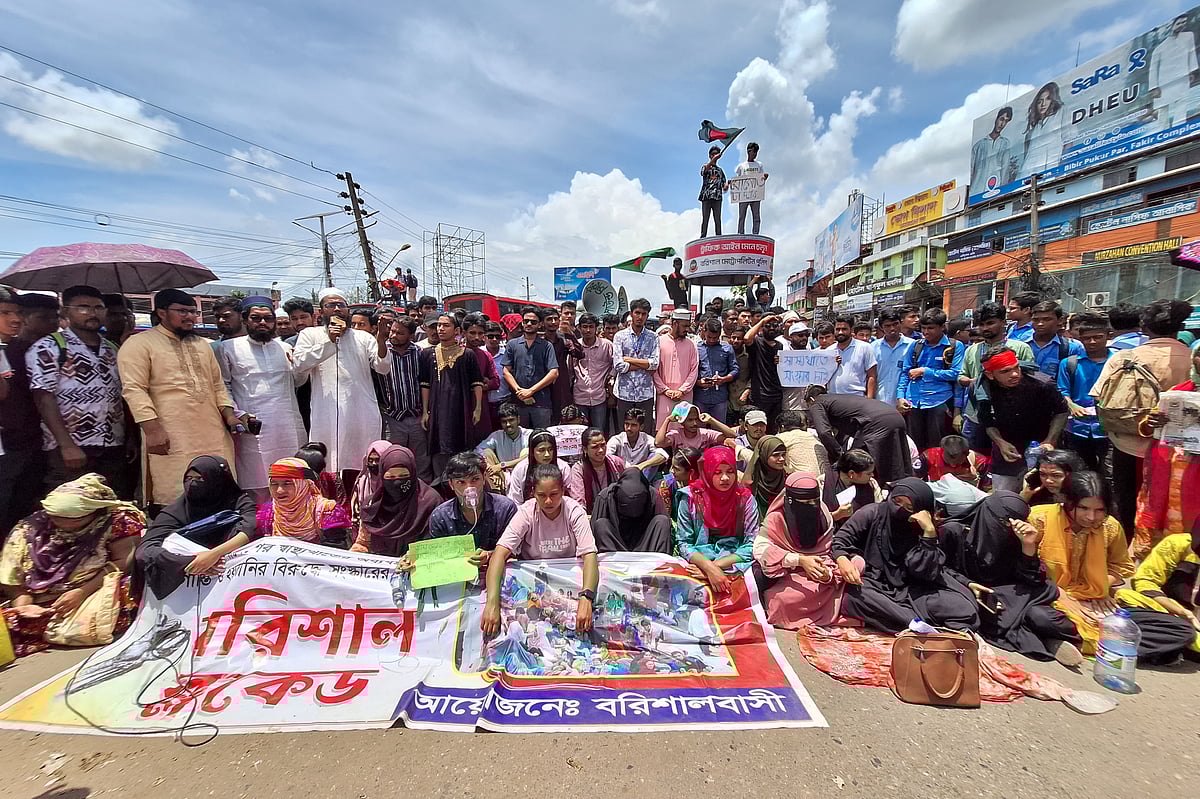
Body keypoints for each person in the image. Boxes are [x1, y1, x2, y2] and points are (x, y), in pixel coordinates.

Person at [1030, 471, 1195, 662]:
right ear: (1068, 501)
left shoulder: (1110, 527)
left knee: (1182, 630)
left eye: (1099, 510)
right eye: (1083, 508)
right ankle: (1110, 646)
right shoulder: (1039, 519)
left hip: (1098, 601)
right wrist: (1061, 594)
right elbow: (1026, 570)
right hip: (1050, 597)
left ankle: (1081, 643)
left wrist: (1098, 588)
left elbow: (1120, 567)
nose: (1091, 517)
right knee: (1039, 616)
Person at [117, 289, 238, 509]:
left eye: (193, 312)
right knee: (175, 490)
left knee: (218, 486)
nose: (190, 317)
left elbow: (217, 385)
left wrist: (230, 417)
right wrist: (152, 430)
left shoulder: (202, 345)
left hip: (212, 430)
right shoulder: (139, 344)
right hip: (170, 432)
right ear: (162, 313)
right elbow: (134, 389)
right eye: (182, 311)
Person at [0, 474, 142, 652]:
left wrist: (81, 592)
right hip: (45, 598)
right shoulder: (29, 529)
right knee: (14, 625)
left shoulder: (118, 521)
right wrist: (23, 605)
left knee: (133, 588)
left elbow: (123, 562)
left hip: (96, 586)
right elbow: (12, 575)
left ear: (94, 512)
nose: (63, 524)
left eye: (74, 519)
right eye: (57, 518)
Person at [939, 492, 1083, 664]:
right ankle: (1044, 640)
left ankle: (1041, 636)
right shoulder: (954, 531)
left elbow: (1033, 579)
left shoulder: (1015, 536)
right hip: (967, 592)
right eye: (1003, 521)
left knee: (1043, 617)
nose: (1007, 527)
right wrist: (969, 584)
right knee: (967, 611)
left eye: (1014, 523)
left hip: (1012, 597)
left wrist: (1027, 545)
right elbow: (939, 568)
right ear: (987, 513)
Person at [1094, 299, 1193, 538]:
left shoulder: (1124, 358)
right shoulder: (1192, 359)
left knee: (1127, 497)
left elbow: (1099, 398)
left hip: (1127, 444)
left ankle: (1128, 542)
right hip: (1179, 450)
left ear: (1144, 328)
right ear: (1180, 327)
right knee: (1170, 502)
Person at [831, 478, 979, 634]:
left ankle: (910, 622)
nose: (899, 509)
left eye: (909, 507)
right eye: (897, 501)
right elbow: (839, 540)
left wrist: (929, 534)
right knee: (854, 597)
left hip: (912, 589)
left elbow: (930, 571)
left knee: (963, 608)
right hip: (872, 584)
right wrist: (842, 559)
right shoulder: (871, 513)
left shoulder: (922, 528)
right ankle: (916, 624)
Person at [28, 285, 132, 498]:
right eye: (83, 307)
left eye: (98, 307)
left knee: (112, 505)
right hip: (72, 446)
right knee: (70, 506)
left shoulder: (112, 349)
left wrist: (129, 438)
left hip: (113, 443)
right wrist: (67, 445)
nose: (92, 313)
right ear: (65, 311)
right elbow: (43, 398)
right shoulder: (49, 347)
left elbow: (123, 396)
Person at [481, 464, 599, 637]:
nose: (548, 501)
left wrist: (586, 597)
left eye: (554, 494)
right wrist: (492, 603)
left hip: (568, 581)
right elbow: (500, 553)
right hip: (534, 584)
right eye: (542, 495)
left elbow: (589, 556)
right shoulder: (526, 512)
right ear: (533, 493)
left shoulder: (574, 511)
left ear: (563, 491)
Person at [291, 288, 391, 483]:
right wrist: (329, 341)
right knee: (328, 460)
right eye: (331, 305)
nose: (337, 309)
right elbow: (300, 364)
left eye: (341, 305)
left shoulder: (363, 337)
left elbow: (383, 367)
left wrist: (380, 340)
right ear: (321, 311)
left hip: (361, 412)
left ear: (347, 310)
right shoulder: (310, 335)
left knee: (362, 459)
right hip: (325, 413)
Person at [216, 297, 307, 502]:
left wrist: (301, 367)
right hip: (252, 425)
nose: (262, 323)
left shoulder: (284, 348)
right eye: (256, 318)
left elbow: (298, 382)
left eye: (268, 318)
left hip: (288, 425)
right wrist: (238, 415)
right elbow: (223, 386)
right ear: (245, 320)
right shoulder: (228, 348)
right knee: (257, 482)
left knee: (291, 478)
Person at [135, 455, 259, 599]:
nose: (193, 483)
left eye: (200, 478)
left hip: (231, 575)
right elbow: (145, 550)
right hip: (188, 590)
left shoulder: (239, 502)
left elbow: (249, 529)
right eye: (189, 478)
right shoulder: (176, 511)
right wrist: (188, 563)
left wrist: (213, 555)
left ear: (218, 479)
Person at [753, 472, 859, 630]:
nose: (812, 506)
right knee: (781, 601)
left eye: (814, 501)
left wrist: (826, 573)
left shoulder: (823, 514)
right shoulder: (777, 518)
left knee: (857, 564)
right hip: (787, 572)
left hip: (818, 573)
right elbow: (760, 548)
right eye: (805, 502)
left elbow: (827, 549)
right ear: (790, 500)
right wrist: (800, 560)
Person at [1133, 344, 1200, 558]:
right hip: (1172, 472)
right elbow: (1147, 429)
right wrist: (1151, 422)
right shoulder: (1179, 392)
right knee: (1170, 515)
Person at [978, 345, 1068, 493]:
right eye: (1005, 371)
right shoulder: (981, 389)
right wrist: (1000, 443)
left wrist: (1050, 441)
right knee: (1004, 494)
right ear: (990, 375)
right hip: (1007, 445)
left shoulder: (1042, 383)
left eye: (1016, 368)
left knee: (1046, 490)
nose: (1014, 374)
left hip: (1042, 442)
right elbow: (987, 421)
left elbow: (1062, 412)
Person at [674, 446, 759, 592]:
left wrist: (714, 568)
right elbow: (684, 543)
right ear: (707, 472)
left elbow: (752, 544)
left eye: (730, 472)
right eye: (717, 472)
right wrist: (707, 566)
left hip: (734, 560)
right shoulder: (690, 498)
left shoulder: (745, 499)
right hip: (697, 560)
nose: (725, 478)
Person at [1115, 528, 1200, 655]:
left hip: (1189, 628)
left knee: (1186, 634)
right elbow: (1145, 581)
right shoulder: (1178, 543)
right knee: (1125, 596)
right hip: (1168, 612)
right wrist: (1181, 611)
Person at [421, 312, 485, 478]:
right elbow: (425, 384)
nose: (440, 329)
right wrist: (425, 411)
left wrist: (477, 408)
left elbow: (476, 383)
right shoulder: (427, 354)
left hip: (461, 409)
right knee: (439, 448)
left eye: (446, 325)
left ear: (456, 330)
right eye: (439, 325)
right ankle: (442, 487)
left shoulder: (467, 354)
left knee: (461, 448)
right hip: (437, 411)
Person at [805, 385, 912, 485]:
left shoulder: (817, 403)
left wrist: (840, 456)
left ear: (811, 399)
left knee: (854, 465)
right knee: (894, 463)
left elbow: (824, 433)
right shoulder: (838, 400)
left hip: (875, 423)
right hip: (895, 416)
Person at [426, 452, 518, 566]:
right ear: (451, 485)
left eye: (475, 479)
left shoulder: (505, 508)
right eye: (461, 482)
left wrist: (490, 555)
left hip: (497, 569)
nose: (469, 487)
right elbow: (439, 557)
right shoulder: (441, 516)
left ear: (484, 478)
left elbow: (515, 550)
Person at [351, 445, 439, 556]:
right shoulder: (373, 506)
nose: (397, 482)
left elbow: (437, 546)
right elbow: (363, 543)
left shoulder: (430, 502)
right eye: (390, 477)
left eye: (404, 476)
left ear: (413, 474)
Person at [896, 308, 963, 452]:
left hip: (939, 402)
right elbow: (905, 373)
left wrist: (925, 371)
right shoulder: (915, 345)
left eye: (931, 328)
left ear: (942, 327)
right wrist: (900, 397)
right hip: (914, 402)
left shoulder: (954, 346)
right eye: (923, 328)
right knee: (914, 445)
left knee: (937, 446)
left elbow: (955, 373)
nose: (926, 332)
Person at [377, 316, 431, 482]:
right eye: (392, 331)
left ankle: (422, 490)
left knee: (421, 458)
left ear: (411, 335)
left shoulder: (420, 353)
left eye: (400, 333)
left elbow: (426, 382)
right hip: (392, 416)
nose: (394, 335)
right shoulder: (383, 352)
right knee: (394, 457)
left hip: (416, 415)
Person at [1057, 312, 1110, 473]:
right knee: (1079, 473)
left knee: (1109, 474)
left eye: (1097, 337)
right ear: (1080, 339)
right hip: (1076, 428)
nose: (1092, 342)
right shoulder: (1069, 363)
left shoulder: (1118, 362)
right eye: (1087, 338)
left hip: (1109, 430)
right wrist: (1071, 405)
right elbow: (1062, 390)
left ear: (1107, 336)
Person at [258, 457, 351, 546]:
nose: (279, 490)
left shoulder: (327, 511)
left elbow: (335, 548)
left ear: (303, 485)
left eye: (287, 483)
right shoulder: (268, 512)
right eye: (274, 484)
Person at [589, 467, 673, 555]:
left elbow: (667, 532)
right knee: (601, 524)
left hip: (647, 547)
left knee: (662, 521)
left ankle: (659, 561)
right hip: (614, 549)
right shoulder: (605, 497)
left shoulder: (654, 496)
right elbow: (593, 534)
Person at [502, 307, 559, 429]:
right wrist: (520, 392)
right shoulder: (512, 344)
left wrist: (531, 391)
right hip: (518, 403)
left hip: (541, 403)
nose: (529, 324)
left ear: (540, 324)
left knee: (542, 436)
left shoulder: (546, 346)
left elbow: (554, 372)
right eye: (526, 321)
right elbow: (506, 371)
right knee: (521, 437)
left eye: (533, 322)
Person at [612, 298, 660, 428]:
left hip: (645, 394)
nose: (640, 317)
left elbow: (655, 364)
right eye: (637, 313)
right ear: (631, 314)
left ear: (647, 316)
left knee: (645, 432)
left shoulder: (653, 337)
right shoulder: (620, 336)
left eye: (644, 314)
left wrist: (629, 359)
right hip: (624, 393)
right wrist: (644, 364)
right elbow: (619, 366)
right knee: (624, 431)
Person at [1149, 14, 1200, 127]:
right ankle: (1163, 132)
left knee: (1182, 102)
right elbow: (1153, 69)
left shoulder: (1188, 36)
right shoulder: (1159, 48)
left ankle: (1179, 128)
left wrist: (1191, 71)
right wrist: (1154, 87)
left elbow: (1191, 53)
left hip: (1182, 76)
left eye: (1184, 22)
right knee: (1162, 108)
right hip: (1163, 82)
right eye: (1178, 23)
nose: (1181, 25)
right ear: (1172, 25)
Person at [653, 309, 699, 425]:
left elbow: (694, 370)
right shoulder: (659, 342)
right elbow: (653, 370)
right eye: (684, 326)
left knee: (684, 428)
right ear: (674, 324)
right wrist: (665, 390)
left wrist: (682, 391)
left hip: (684, 396)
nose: (687, 329)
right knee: (664, 428)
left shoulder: (691, 345)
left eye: (688, 326)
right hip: (664, 396)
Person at [566, 427, 625, 514]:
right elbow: (579, 502)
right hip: (592, 515)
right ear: (585, 449)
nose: (601, 450)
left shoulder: (616, 462)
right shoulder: (579, 470)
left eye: (603, 445)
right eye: (595, 447)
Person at [570, 312, 614, 431]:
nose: (588, 330)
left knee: (598, 432)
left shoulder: (607, 345)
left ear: (596, 328)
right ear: (579, 328)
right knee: (580, 431)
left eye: (591, 327)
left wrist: (609, 378)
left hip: (599, 396)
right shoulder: (574, 346)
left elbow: (615, 365)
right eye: (585, 327)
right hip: (579, 396)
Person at [464, 313, 501, 443]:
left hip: (481, 408)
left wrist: (479, 385)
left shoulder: (485, 355)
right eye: (472, 333)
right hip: (461, 406)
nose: (477, 337)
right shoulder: (456, 353)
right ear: (464, 333)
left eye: (480, 333)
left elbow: (496, 382)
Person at [476, 402, 531, 489]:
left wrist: (502, 465)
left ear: (518, 420)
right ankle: (496, 492)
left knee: (526, 452)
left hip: (524, 474)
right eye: (504, 421)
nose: (508, 424)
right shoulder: (497, 435)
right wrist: (489, 466)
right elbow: (478, 450)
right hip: (503, 475)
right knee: (486, 452)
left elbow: (530, 457)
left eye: (511, 420)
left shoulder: (529, 435)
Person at [507, 429, 570, 505]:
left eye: (550, 449)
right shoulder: (521, 469)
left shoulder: (563, 467)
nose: (547, 454)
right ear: (532, 451)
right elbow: (516, 502)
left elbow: (570, 498)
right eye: (541, 450)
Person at [821, 448, 884, 525]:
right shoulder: (823, 483)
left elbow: (880, 512)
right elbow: (817, 520)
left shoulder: (871, 484)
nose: (872, 475)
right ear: (852, 473)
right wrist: (837, 515)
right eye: (868, 473)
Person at [694, 318, 738, 424]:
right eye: (709, 337)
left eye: (715, 337)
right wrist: (699, 382)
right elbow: (690, 372)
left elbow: (735, 370)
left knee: (719, 429)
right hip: (700, 397)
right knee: (699, 429)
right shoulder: (696, 348)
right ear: (704, 331)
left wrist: (724, 379)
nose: (712, 340)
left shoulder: (727, 348)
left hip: (720, 398)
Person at [741, 312, 785, 420]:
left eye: (775, 325)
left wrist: (781, 362)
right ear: (762, 327)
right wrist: (762, 321)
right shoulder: (756, 343)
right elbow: (746, 338)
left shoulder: (780, 345)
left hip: (776, 394)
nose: (771, 328)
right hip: (760, 394)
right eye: (768, 325)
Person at [1028, 301, 1084, 381]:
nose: (1040, 324)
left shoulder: (1072, 347)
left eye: (1047, 319)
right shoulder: (1020, 344)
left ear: (1060, 320)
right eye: (1035, 320)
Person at [1018, 81, 1065, 176]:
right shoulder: (1031, 132)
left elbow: (1069, 142)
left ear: (1053, 100)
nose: (1043, 104)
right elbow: (1026, 157)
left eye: (1048, 99)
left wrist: (1061, 169)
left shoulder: (1061, 114)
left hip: (1051, 172)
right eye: (1040, 101)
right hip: (1027, 177)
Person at [825, 314, 877, 398]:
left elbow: (872, 376)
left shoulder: (864, 348)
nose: (840, 332)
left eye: (844, 329)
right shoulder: (829, 351)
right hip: (833, 398)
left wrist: (869, 400)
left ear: (851, 330)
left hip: (856, 398)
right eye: (838, 329)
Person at [541, 307, 578, 422]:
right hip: (544, 386)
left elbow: (579, 353)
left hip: (562, 386)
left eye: (556, 319)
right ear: (542, 322)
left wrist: (570, 334)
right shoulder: (539, 341)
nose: (553, 322)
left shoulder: (564, 340)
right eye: (549, 319)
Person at [606, 407, 667, 475]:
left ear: (641, 427)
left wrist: (640, 466)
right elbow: (606, 457)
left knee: (654, 455)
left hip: (641, 475)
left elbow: (663, 455)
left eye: (633, 425)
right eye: (627, 424)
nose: (629, 428)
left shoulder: (647, 439)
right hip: (621, 475)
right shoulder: (617, 439)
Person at [871, 308, 912, 408]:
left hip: (905, 402)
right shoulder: (873, 347)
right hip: (879, 401)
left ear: (900, 323)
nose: (892, 329)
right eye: (887, 326)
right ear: (881, 327)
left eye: (895, 324)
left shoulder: (912, 345)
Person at [655, 401, 734, 451]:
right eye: (690, 420)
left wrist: (711, 420)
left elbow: (732, 435)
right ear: (682, 422)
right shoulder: (676, 434)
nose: (695, 423)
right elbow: (658, 443)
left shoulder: (705, 434)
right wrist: (667, 420)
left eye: (696, 419)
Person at [970, 106, 1015, 193]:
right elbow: (972, 171)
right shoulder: (979, 145)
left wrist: (1003, 190)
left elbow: (1005, 169)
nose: (1002, 124)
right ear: (996, 119)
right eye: (1001, 119)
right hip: (976, 191)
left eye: (1006, 121)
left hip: (995, 189)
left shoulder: (1005, 143)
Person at [743, 435, 787, 518]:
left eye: (783, 454)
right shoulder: (751, 482)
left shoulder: (788, 479)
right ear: (764, 455)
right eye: (776, 455)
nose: (782, 459)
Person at [658, 446, 701, 521]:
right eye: (672, 466)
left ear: (691, 472)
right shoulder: (668, 485)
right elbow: (666, 515)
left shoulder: (705, 487)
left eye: (676, 469)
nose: (671, 471)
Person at [734, 141, 768, 235]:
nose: (755, 154)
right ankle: (740, 234)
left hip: (755, 194)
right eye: (753, 151)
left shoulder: (759, 165)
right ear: (749, 151)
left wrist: (764, 177)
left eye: (756, 152)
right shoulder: (741, 166)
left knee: (756, 216)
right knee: (742, 216)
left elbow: (761, 179)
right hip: (744, 195)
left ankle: (755, 234)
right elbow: (738, 179)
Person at [698, 144, 727, 238]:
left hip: (717, 197)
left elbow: (724, 183)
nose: (715, 155)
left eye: (716, 153)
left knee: (717, 219)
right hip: (706, 196)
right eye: (713, 154)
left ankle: (719, 237)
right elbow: (703, 172)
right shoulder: (705, 166)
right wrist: (713, 160)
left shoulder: (720, 170)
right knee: (705, 219)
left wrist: (727, 185)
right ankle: (703, 237)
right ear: (710, 155)